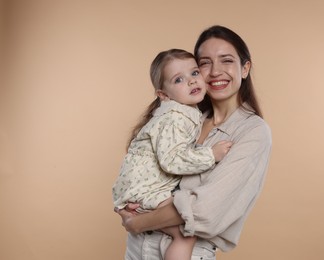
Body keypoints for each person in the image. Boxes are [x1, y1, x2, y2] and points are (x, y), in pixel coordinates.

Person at [115, 25, 272, 260]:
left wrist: (136, 222)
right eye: (205, 63)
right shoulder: (183, 117)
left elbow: (205, 211)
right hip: (138, 247)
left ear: (245, 68)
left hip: (187, 250)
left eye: (226, 60)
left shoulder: (252, 132)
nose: (216, 71)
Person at [112, 48, 233, 260]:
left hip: (141, 189)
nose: (192, 81)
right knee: (186, 232)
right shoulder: (175, 117)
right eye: (179, 80)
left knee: (185, 221)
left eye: (194, 73)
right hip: (145, 191)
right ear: (164, 95)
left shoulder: (183, 112)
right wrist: (210, 155)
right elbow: (172, 160)